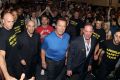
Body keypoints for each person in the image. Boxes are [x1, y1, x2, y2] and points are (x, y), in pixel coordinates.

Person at [0, 12, 24, 80]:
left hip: (17, 61)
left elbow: (15, 45)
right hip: (10, 66)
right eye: (9, 21)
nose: (11, 23)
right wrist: (6, 75)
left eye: (12, 21)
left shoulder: (12, 29)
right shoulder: (2, 35)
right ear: (3, 21)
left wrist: (20, 58)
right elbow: (1, 55)